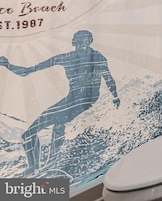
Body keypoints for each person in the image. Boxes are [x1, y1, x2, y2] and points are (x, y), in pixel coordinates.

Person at [0, 30, 119, 175]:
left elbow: (109, 79)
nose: (82, 45)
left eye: (86, 41)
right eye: (79, 42)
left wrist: (115, 97)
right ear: (74, 43)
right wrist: (8, 65)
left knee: (59, 123)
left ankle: (51, 163)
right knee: (28, 134)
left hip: (86, 100)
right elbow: (27, 71)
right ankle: (33, 168)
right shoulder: (66, 58)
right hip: (70, 99)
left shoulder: (97, 57)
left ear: (90, 41)